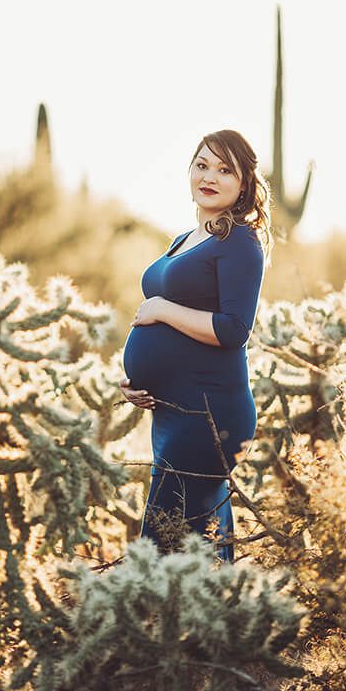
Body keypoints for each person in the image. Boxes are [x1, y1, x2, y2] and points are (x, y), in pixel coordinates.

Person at [116, 130, 269, 562]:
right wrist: (135, 380)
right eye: (202, 165)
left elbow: (233, 329)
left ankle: (155, 620)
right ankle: (216, 620)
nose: (210, 176)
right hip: (174, 412)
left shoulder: (240, 242)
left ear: (243, 184)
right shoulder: (185, 239)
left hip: (208, 414)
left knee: (165, 539)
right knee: (198, 535)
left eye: (225, 170)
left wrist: (161, 309)